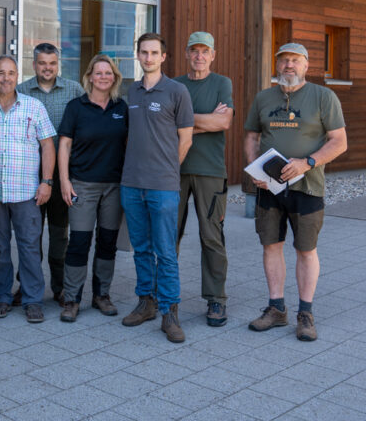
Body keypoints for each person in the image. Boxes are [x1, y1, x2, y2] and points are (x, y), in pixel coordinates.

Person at [243, 43, 347, 342]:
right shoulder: (263, 97)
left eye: (295, 60)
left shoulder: (323, 97)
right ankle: (276, 309)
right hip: (269, 188)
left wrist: (308, 163)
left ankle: (305, 313)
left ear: (306, 65)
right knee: (271, 246)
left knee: (305, 249)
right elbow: (251, 135)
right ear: (277, 65)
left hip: (307, 187)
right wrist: (255, 171)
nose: (289, 65)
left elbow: (339, 141)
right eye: (284, 60)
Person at [120, 32, 194, 343]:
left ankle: (169, 312)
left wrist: (167, 171)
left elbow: (186, 138)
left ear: (163, 57)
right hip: (131, 184)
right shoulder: (131, 92)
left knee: (166, 251)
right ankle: (146, 302)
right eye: (144, 52)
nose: (148, 57)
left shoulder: (177, 91)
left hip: (163, 186)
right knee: (141, 249)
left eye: (154, 53)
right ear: (137, 55)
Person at [57, 54, 128, 322]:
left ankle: (102, 295)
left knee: (108, 242)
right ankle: (72, 299)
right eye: (98, 73)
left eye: (108, 73)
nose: (103, 77)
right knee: (79, 242)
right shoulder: (76, 107)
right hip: (82, 186)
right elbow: (64, 144)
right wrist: (64, 180)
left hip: (114, 186)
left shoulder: (122, 107)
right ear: (89, 77)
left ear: (115, 77)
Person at [0, 56, 56, 323]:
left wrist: (47, 181)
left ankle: (32, 299)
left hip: (27, 192)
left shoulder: (33, 106)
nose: (6, 78)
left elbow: (48, 145)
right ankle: (2, 297)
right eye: (1, 73)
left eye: (11, 73)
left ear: (18, 76)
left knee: (29, 247)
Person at [173, 32, 234, 328]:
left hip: (211, 171)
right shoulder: (174, 85)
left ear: (213, 55)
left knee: (211, 236)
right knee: (170, 234)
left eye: (204, 51)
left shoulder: (222, 83)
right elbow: (164, 124)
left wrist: (185, 123)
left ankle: (216, 300)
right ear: (186, 54)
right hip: (174, 170)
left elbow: (223, 121)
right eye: (194, 51)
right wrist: (203, 121)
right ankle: (165, 296)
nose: (199, 56)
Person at [19, 43, 84, 305]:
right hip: (28, 176)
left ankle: (60, 288)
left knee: (59, 236)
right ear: (34, 64)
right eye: (42, 63)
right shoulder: (21, 90)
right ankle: (25, 286)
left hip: (62, 177)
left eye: (52, 63)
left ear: (59, 65)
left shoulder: (74, 90)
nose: (48, 68)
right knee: (29, 236)